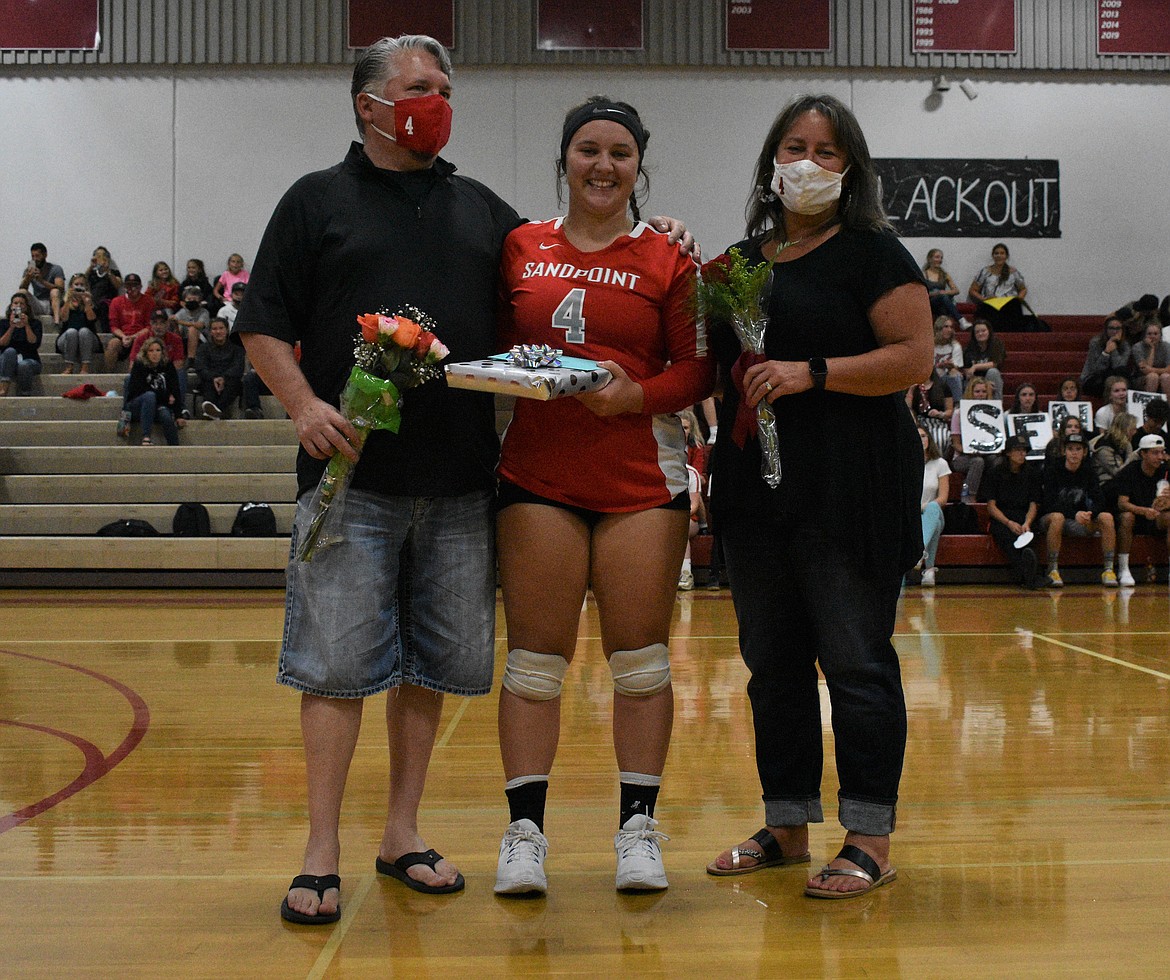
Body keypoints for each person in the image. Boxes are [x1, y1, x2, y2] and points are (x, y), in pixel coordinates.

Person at [233, 31, 693, 926]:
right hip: (349, 479)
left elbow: (577, 262)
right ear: (369, 104)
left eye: (444, 87)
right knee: (332, 672)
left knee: (427, 671)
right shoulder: (313, 200)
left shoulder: (488, 214)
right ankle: (319, 849)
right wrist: (301, 406)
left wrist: (663, 228)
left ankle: (402, 832)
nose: (436, 101)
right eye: (418, 87)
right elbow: (261, 321)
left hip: (459, 484)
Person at [702, 94, 932, 899]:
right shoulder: (738, 263)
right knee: (773, 667)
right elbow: (707, 367)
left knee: (857, 663)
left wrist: (814, 373)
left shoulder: (874, 252)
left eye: (827, 151)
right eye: (794, 146)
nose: (807, 162)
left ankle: (869, 836)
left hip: (851, 493)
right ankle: (787, 824)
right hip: (755, 496)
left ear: (851, 168)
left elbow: (914, 357)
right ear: (771, 161)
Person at [492, 96, 712, 897]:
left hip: (639, 484)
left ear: (638, 167)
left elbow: (697, 369)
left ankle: (637, 830)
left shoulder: (669, 258)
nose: (603, 164)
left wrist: (636, 398)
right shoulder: (519, 246)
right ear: (565, 159)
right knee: (534, 666)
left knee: (642, 661)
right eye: (588, 149)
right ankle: (524, 835)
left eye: (621, 152)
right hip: (538, 480)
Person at [1039, 432, 1117, 587]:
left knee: (1107, 517)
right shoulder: (1053, 470)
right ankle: (1053, 569)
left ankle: (1109, 569)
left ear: (1085, 452)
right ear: (1064, 451)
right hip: (1053, 518)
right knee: (1057, 518)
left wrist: (1091, 514)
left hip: (1081, 519)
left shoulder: (1089, 472)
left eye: (1078, 449)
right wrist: (1074, 514)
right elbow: (1048, 502)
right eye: (1070, 449)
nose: (1074, 453)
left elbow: (1100, 500)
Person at [984, 435, 1044, 589]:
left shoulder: (1032, 474)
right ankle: (1030, 576)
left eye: (1024, 450)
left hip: (1024, 516)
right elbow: (991, 506)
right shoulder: (995, 473)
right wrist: (1009, 523)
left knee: (1030, 535)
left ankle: (1028, 576)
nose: (1022, 454)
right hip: (1002, 517)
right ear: (1008, 453)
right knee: (1007, 537)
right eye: (1018, 450)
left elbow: (1034, 503)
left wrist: (1027, 523)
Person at [1113, 434, 1170, 586]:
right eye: (1155, 453)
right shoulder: (1129, 472)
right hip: (1136, 516)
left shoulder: (1166, 471)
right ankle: (1123, 569)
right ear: (1143, 454)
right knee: (1126, 517)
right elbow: (1122, 503)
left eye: (1162, 452)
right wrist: (1144, 511)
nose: (1160, 457)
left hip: (1157, 517)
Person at [118, 337, 184, 445]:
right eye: (151, 350)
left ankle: (175, 448)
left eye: (158, 350)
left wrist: (178, 415)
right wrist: (166, 396)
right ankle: (146, 437)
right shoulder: (139, 364)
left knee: (166, 416)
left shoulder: (168, 365)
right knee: (149, 396)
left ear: (162, 352)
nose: (155, 353)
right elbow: (138, 390)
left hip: (158, 405)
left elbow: (175, 389)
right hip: (136, 405)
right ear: (146, 352)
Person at [950, 376, 997, 500]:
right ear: (971, 392)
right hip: (962, 457)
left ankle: (993, 497)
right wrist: (970, 450)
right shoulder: (958, 413)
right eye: (977, 391)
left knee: (997, 461)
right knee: (977, 461)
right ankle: (969, 496)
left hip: (986, 454)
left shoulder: (994, 412)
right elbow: (956, 445)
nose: (981, 394)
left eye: (984, 391)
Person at [916, 424, 950, 588]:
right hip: (912, 516)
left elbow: (943, 498)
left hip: (932, 510)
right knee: (934, 527)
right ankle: (929, 570)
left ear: (929, 438)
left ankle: (919, 551)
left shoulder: (940, 463)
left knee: (933, 511)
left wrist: (925, 506)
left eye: (923, 436)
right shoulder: (905, 463)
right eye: (917, 436)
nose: (921, 439)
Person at [967, 242, 1027, 331]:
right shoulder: (985, 272)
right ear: (993, 256)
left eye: (1002, 253)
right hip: (990, 305)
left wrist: (1018, 299)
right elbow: (972, 290)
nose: (999, 255)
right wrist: (984, 299)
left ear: (1006, 256)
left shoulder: (1013, 272)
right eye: (996, 253)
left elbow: (1023, 289)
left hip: (1009, 306)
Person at [194, 317, 244, 418]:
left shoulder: (237, 348)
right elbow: (200, 367)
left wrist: (223, 378)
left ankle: (214, 410)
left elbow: (238, 367)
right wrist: (214, 378)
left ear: (227, 330)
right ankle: (215, 411)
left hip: (230, 381)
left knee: (233, 383)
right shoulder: (203, 348)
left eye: (221, 328)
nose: (218, 331)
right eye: (214, 329)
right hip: (210, 380)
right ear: (210, 332)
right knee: (207, 383)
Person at [105, 273, 154, 370]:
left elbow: (149, 326)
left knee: (147, 344)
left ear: (140, 287)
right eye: (129, 285)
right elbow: (113, 326)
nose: (132, 288)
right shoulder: (116, 302)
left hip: (141, 336)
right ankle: (109, 374)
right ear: (125, 287)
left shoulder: (148, 301)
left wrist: (134, 337)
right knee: (112, 344)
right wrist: (124, 336)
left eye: (135, 285)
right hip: (122, 336)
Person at [55, 273, 100, 374]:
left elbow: (92, 319)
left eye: (81, 285)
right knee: (72, 332)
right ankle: (69, 367)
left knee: (84, 331)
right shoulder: (64, 302)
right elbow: (63, 318)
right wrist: (68, 300)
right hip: (67, 338)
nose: (79, 287)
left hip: (88, 337)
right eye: (76, 284)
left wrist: (87, 303)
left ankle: (85, 367)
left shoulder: (91, 302)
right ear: (71, 286)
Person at [0, 291, 43, 395]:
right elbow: (2, 344)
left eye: (21, 303)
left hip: (29, 359)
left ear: (26, 307)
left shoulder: (35, 323)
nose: (18, 305)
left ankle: (24, 393)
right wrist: (11, 327)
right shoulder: (3, 323)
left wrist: (27, 325)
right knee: (10, 351)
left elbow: (34, 343)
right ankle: (3, 387)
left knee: (24, 365)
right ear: (11, 306)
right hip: (7, 360)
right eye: (15, 303)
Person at [1080, 317, 1130, 399]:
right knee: (1109, 379)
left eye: (1118, 328)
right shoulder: (1095, 342)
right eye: (1111, 328)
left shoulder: (1126, 345)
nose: (1114, 331)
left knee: (1122, 374)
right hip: (1095, 379)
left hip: (1116, 378)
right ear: (1106, 329)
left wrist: (1113, 349)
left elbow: (1119, 367)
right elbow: (1096, 369)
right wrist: (1106, 352)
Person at [18, 242, 64, 321]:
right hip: (37, 303)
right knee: (22, 292)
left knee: (55, 291)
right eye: (33, 256)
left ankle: (56, 322)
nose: (35, 259)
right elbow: (22, 289)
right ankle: (18, 321)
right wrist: (28, 277)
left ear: (45, 255)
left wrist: (42, 281)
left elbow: (61, 288)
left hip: (52, 303)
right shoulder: (29, 270)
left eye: (37, 256)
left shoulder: (55, 269)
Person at [962, 317, 1005, 400]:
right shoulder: (968, 349)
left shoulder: (997, 345)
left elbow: (995, 363)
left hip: (992, 380)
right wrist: (982, 384)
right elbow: (968, 372)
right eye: (977, 332)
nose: (980, 334)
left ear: (989, 331)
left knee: (993, 372)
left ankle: (996, 406)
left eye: (983, 331)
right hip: (975, 382)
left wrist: (975, 366)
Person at [85, 246, 122, 331]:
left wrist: (107, 270)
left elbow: (118, 285)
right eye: (97, 255)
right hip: (94, 301)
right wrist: (91, 267)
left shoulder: (114, 272)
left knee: (103, 306)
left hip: (108, 302)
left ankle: (106, 331)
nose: (100, 258)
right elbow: (83, 281)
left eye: (102, 255)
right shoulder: (92, 273)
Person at [1129, 321, 1170, 397]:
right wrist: (1152, 348)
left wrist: (1151, 370)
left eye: (1155, 334)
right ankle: (1149, 407)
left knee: (1166, 377)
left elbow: (1169, 369)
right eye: (1149, 334)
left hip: (1162, 376)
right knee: (1153, 376)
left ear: (1160, 335)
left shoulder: (1166, 346)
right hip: (1140, 378)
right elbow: (1144, 371)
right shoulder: (1137, 347)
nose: (1152, 336)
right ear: (1144, 335)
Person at [932, 314, 964, 403]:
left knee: (954, 372)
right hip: (934, 376)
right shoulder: (931, 346)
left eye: (951, 327)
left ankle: (958, 404)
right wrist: (940, 365)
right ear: (938, 328)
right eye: (946, 327)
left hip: (949, 376)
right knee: (938, 371)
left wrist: (950, 365)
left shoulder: (955, 346)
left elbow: (957, 367)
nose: (949, 330)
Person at [923, 249, 960, 322]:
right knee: (942, 298)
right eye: (937, 257)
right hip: (930, 303)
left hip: (942, 303)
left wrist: (944, 292)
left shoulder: (944, 274)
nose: (940, 260)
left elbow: (956, 290)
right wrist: (937, 293)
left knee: (943, 301)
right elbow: (922, 293)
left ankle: (943, 327)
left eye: (941, 258)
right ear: (929, 259)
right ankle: (960, 319)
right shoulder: (924, 274)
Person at [175, 285, 211, 361]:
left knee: (192, 329)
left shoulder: (204, 312)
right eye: (189, 299)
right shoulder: (182, 312)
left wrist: (179, 322)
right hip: (184, 338)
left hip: (201, 340)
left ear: (200, 301)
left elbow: (200, 325)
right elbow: (175, 320)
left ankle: (191, 360)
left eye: (194, 299)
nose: (191, 301)